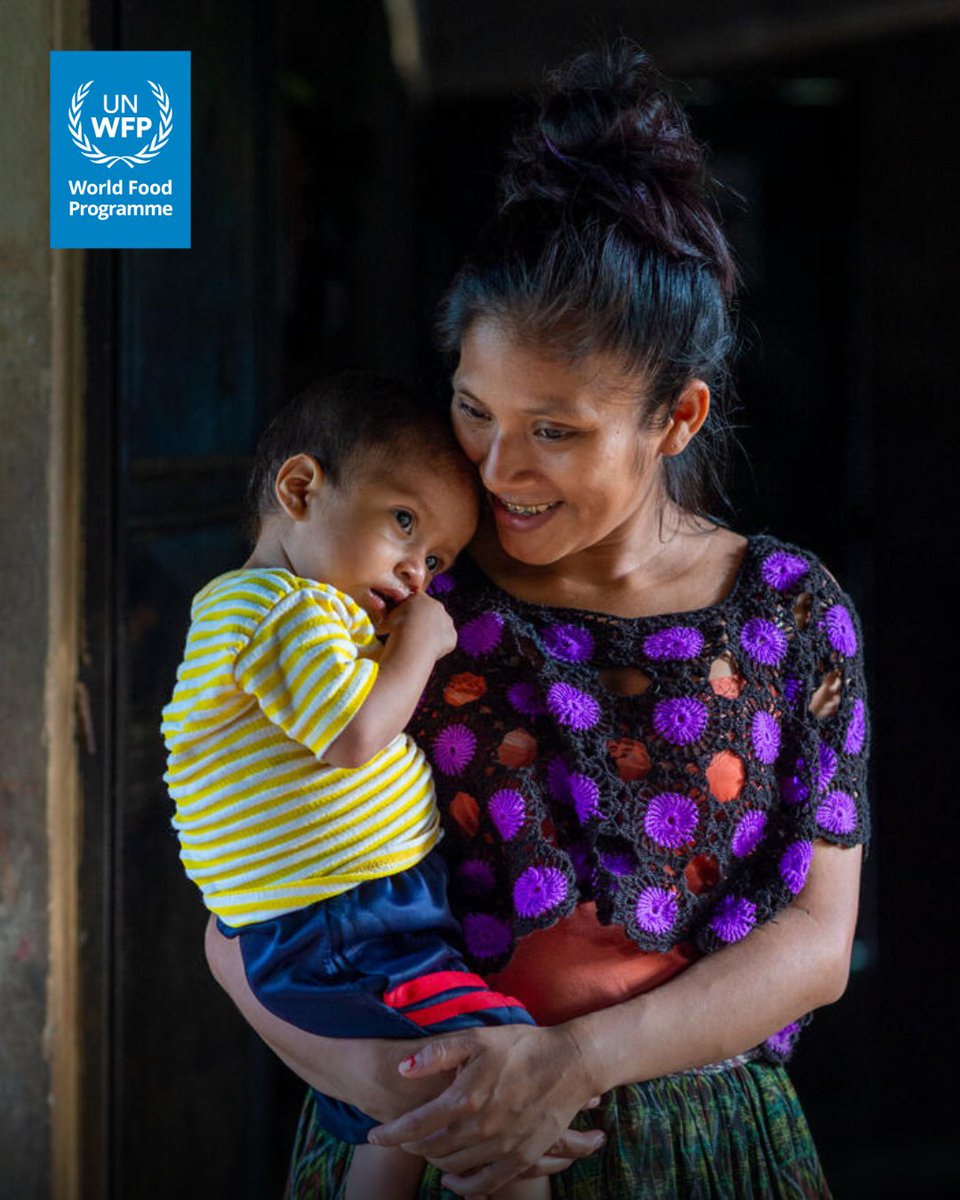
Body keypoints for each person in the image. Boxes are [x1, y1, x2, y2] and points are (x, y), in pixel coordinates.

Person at [205, 42, 869, 1199]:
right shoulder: (400, 592)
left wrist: (566, 1065)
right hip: (429, 1131)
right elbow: (238, 901)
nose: (500, 470)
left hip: (703, 1158)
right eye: (473, 409)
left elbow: (816, 942)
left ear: (677, 417)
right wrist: (390, 1086)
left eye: (556, 431)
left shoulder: (789, 614)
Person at [162, 372, 551, 1200]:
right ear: (300, 489)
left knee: (402, 1127)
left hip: (350, 919)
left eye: (438, 560)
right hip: (338, 925)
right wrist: (420, 646)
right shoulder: (280, 610)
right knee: (498, 1078)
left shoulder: (302, 614)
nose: (419, 576)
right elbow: (354, 735)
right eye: (403, 524)